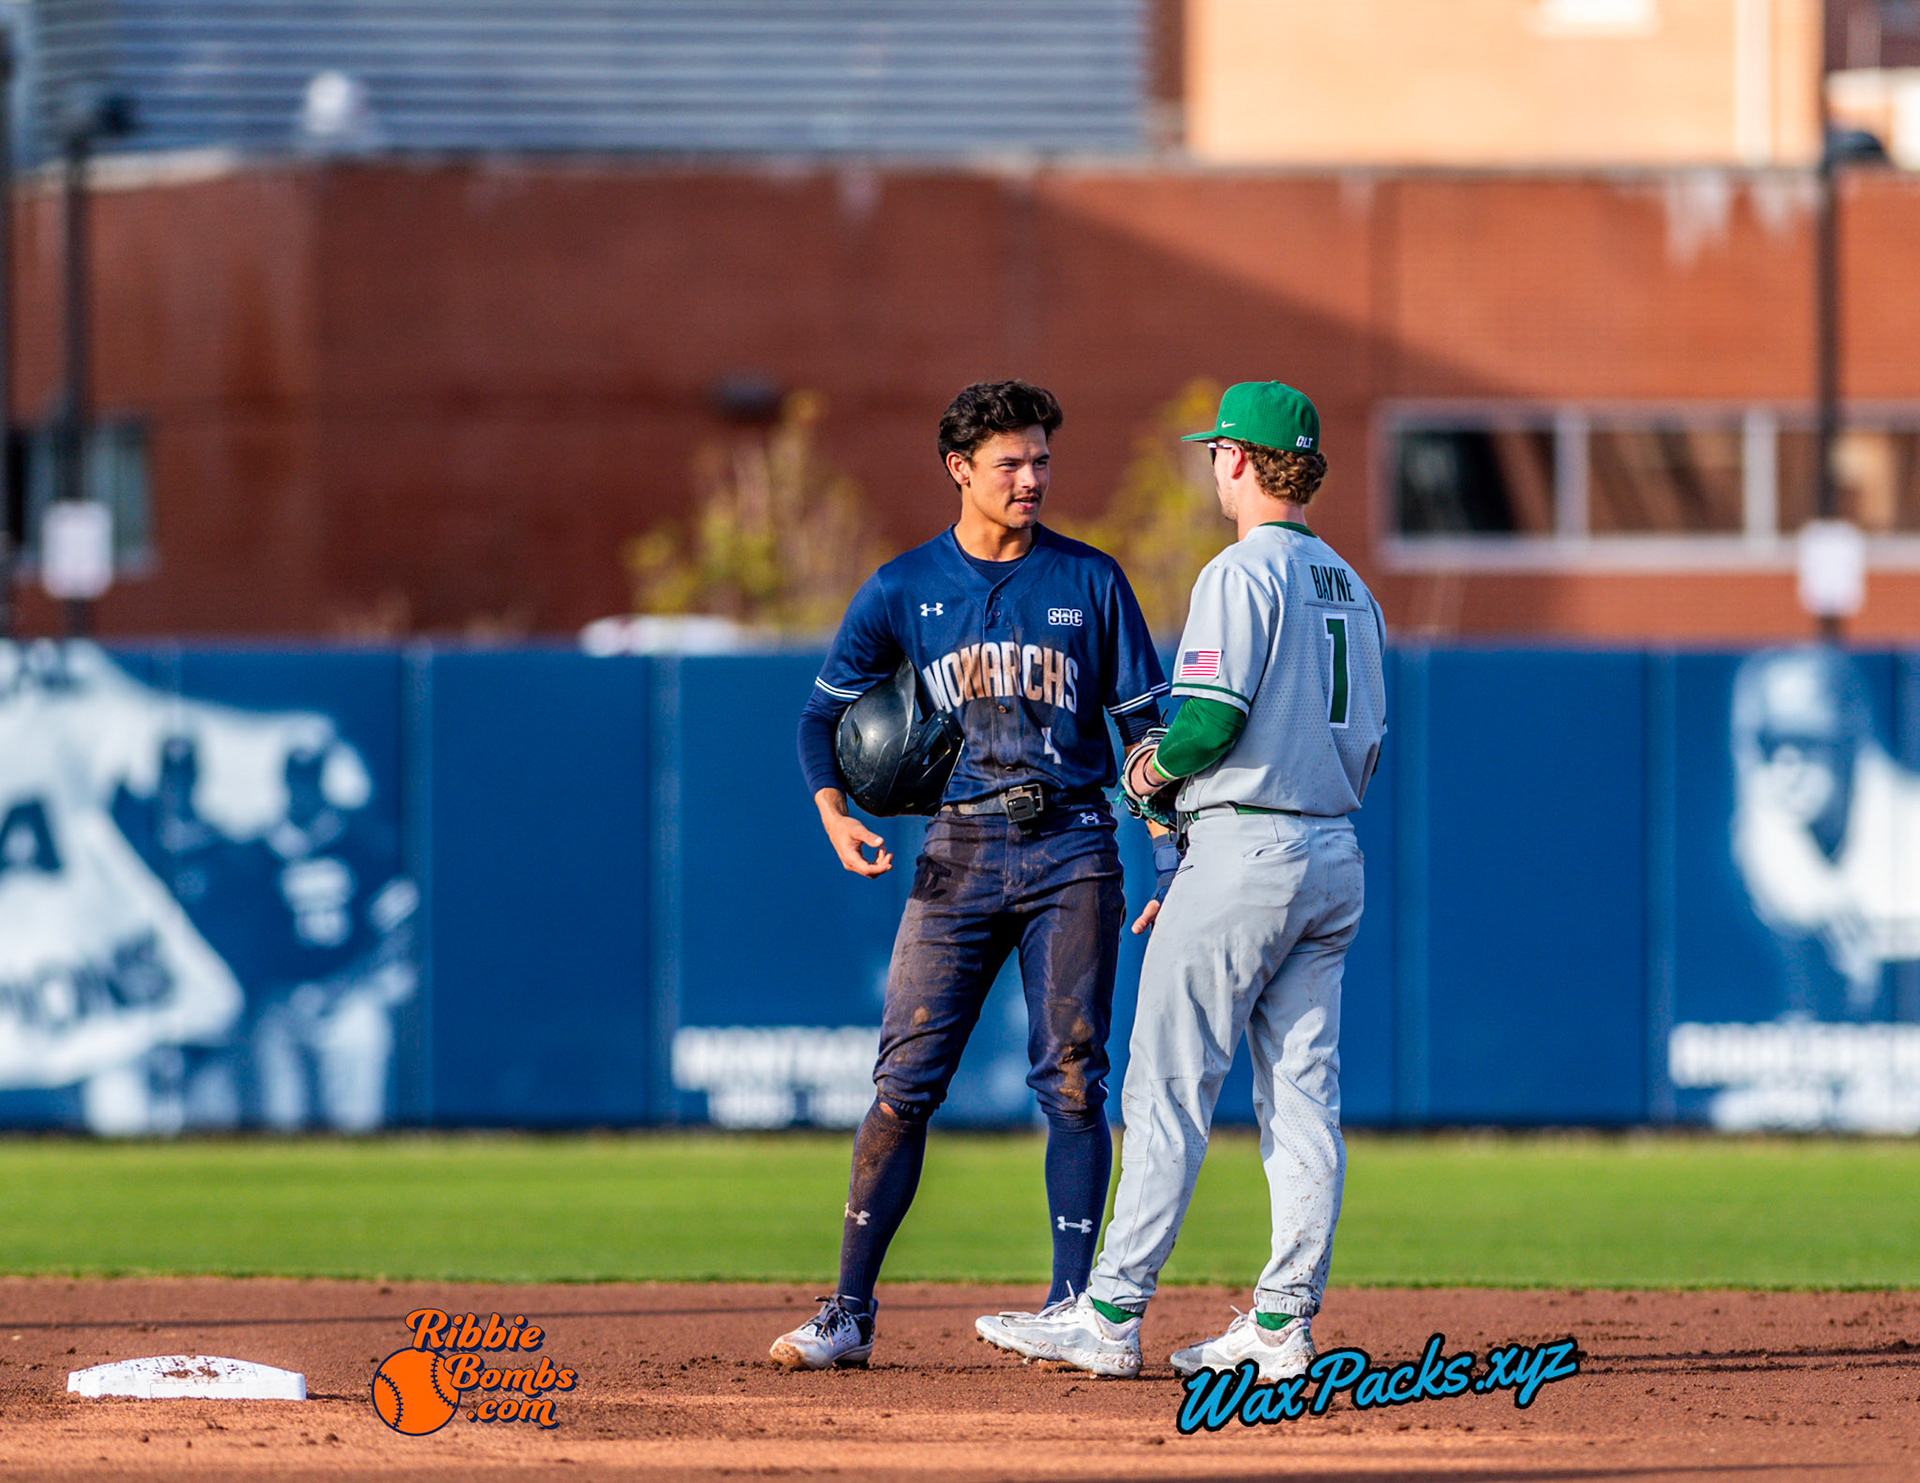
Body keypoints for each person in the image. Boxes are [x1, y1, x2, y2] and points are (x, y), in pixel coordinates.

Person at [976, 381, 1387, 1380]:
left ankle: (1109, 1312)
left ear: (1239, 459)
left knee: (1167, 1085)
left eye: (1217, 451)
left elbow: (1203, 722)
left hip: (1245, 850)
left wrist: (1149, 772)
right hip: (1333, 848)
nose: (1212, 465)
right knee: (1301, 1098)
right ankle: (1285, 1321)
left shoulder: (1241, 573)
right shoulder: (1351, 583)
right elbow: (1372, 741)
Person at [769, 380, 1168, 1370]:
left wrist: (1167, 852)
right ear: (959, 469)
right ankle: (848, 1312)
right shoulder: (905, 588)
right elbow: (820, 717)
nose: (1030, 478)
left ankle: (1076, 1305)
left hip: (1073, 844)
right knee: (903, 1082)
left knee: (1074, 1079)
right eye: (1010, 463)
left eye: (1041, 460)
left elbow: (1148, 736)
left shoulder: (1092, 582)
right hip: (956, 851)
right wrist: (834, 814)